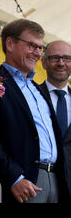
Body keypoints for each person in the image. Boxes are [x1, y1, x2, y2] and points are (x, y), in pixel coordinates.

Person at [0, 19, 67, 203]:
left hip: (54, 181)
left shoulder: (39, 90)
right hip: (18, 183)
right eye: (32, 46)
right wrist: (14, 177)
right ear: (10, 43)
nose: (37, 53)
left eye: (40, 48)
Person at [39, 40, 71, 198]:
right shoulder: (31, 96)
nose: (61, 63)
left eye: (67, 58)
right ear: (44, 63)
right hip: (39, 182)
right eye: (55, 58)